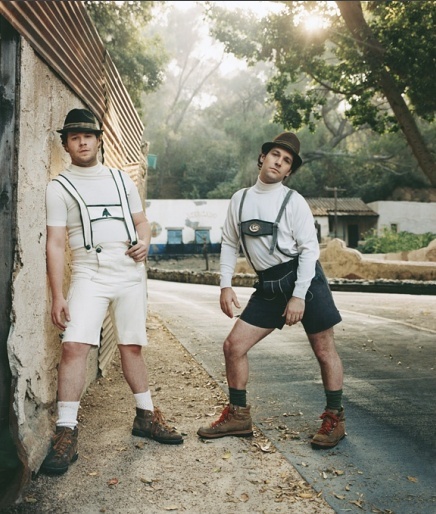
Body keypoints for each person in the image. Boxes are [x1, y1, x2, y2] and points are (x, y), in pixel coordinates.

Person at [42, 109, 183, 476]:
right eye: (74, 137)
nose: (82, 142)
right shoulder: (59, 187)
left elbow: (142, 222)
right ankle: (66, 431)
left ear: (98, 139)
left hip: (129, 273)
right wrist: (58, 295)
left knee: (131, 346)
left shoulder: (122, 180)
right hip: (89, 273)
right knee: (74, 346)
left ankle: (146, 416)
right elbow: (55, 243)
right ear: (66, 144)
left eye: (87, 136)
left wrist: (145, 242)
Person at [197, 132, 345, 449]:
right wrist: (225, 285)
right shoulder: (240, 200)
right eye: (275, 154)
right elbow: (229, 243)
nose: (279, 161)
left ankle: (335, 418)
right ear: (263, 157)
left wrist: (298, 296)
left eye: (286, 160)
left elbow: (309, 250)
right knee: (233, 346)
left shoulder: (294, 201)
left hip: (305, 279)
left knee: (324, 350)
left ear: (289, 171)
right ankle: (238, 415)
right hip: (269, 284)